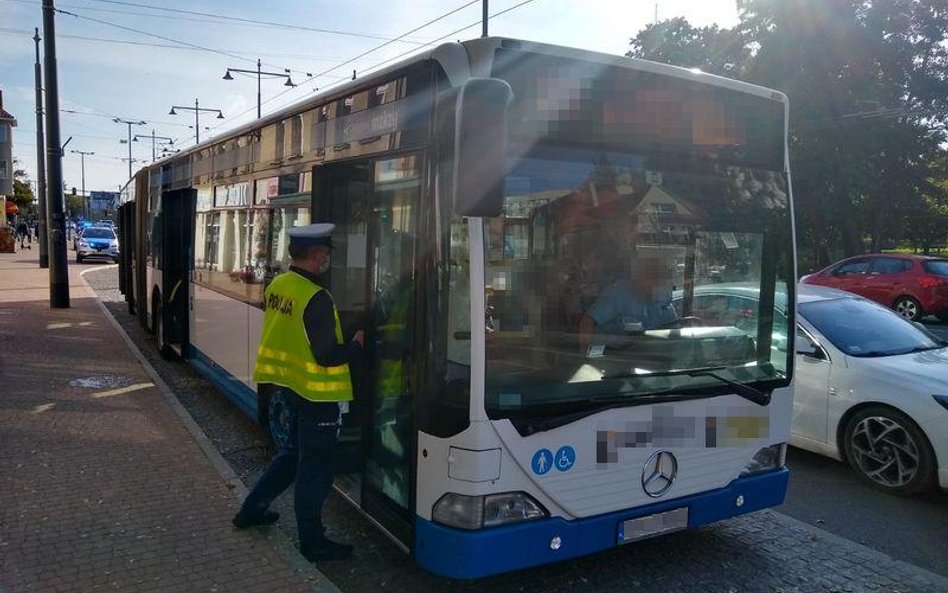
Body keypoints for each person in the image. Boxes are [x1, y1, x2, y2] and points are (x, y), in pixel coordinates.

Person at [232, 223, 364, 562]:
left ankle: (252, 509)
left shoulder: (279, 285)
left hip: (289, 388)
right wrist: (355, 346)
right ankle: (313, 542)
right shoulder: (316, 297)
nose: (328, 259)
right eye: (327, 253)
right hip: (318, 398)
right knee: (314, 471)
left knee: (291, 455)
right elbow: (327, 355)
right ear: (318, 254)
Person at [579, 253, 678, 353]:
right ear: (639, 276)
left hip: (646, 355)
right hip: (611, 354)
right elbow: (588, 322)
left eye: (660, 279)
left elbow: (674, 331)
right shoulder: (617, 294)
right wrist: (585, 354)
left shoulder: (663, 299)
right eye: (651, 277)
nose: (656, 283)